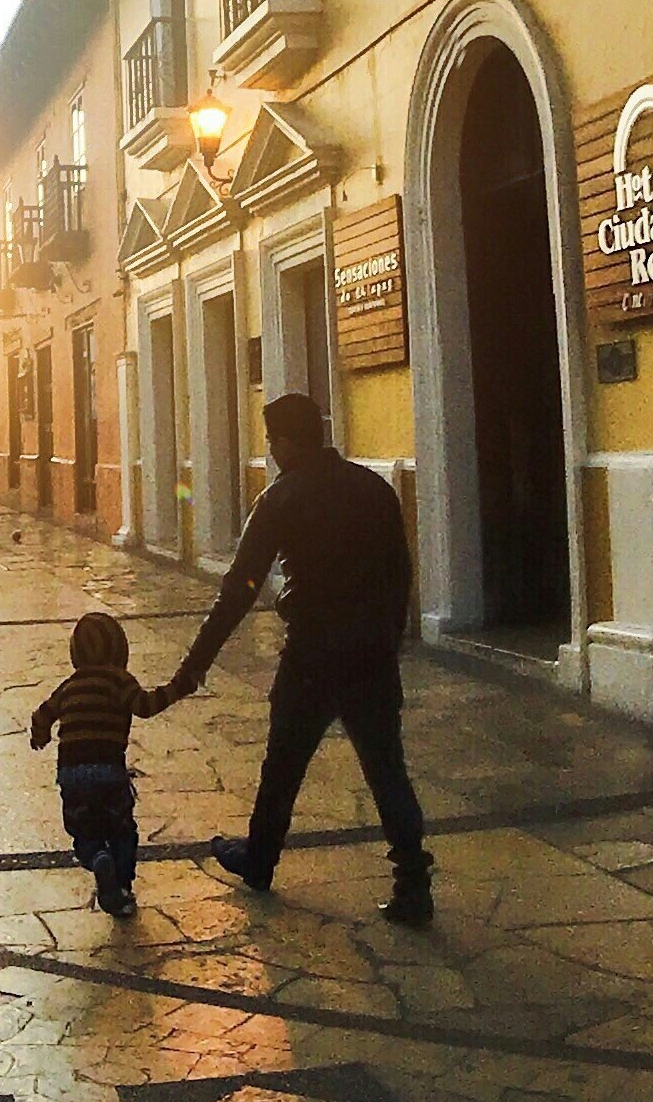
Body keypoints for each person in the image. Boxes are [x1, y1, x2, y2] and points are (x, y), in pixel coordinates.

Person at [155, 393, 435, 924]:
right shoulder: (372, 488)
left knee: (283, 763)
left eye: (271, 440)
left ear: (284, 441)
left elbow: (240, 587)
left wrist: (196, 664)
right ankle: (413, 883)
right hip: (370, 653)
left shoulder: (281, 499)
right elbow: (400, 575)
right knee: (387, 770)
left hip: (312, 654)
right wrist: (387, 643)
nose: (271, 449)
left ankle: (260, 860)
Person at [28, 606, 166, 917]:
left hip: (72, 772)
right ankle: (122, 886)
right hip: (109, 769)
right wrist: (177, 689)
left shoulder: (69, 685)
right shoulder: (120, 681)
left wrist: (41, 736)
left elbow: (42, 714)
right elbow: (145, 706)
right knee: (121, 829)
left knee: (84, 829)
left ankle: (96, 857)